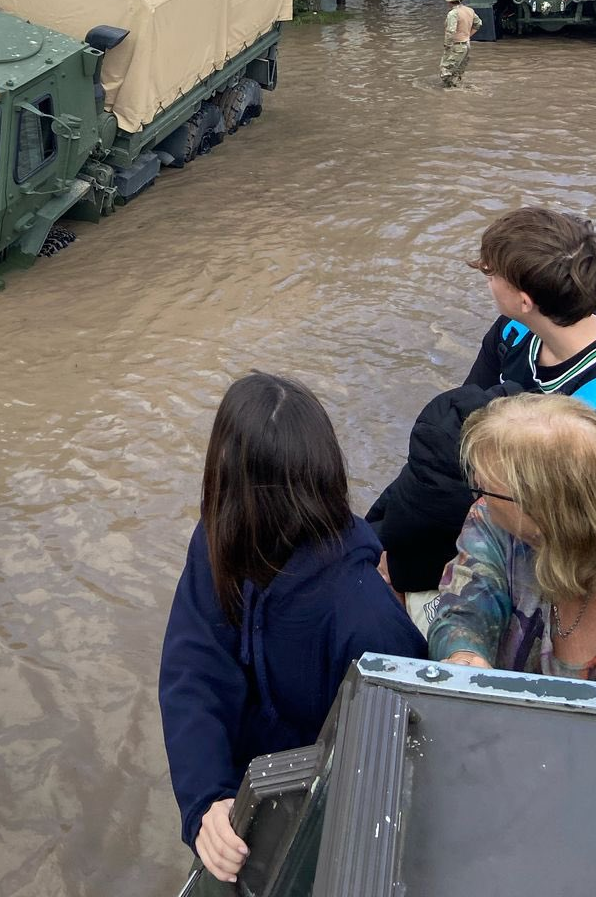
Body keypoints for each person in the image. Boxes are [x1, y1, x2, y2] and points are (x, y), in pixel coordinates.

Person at [160, 373, 425, 885]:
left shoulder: (366, 618)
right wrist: (206, 800)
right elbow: (192, 670)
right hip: (242, 799)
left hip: (320, 820)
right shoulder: (217, 541)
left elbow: (396, 778)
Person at [368, 208, 596, 611]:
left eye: (493, 276)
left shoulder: (591, 407)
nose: (489, 283)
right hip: (493, 486)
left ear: (525, 300)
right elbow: (460, 430)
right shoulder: (512, 332)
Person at [430, 394, 596, 679]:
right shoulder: (492, 521)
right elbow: (464, 605)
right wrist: (464, 655)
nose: (479, 491)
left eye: (487, 488)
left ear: (543, 509)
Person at [439, 0, 482, 87]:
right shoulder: (469, 10)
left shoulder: (453, 14)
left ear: (450, 2)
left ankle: (449, 92)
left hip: (456, 45)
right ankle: (458, 90)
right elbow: (478, 24)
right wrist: (468, 36)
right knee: (458, 71)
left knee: (445, 70)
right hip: (466, 44)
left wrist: (447, 45)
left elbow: (451, 31)